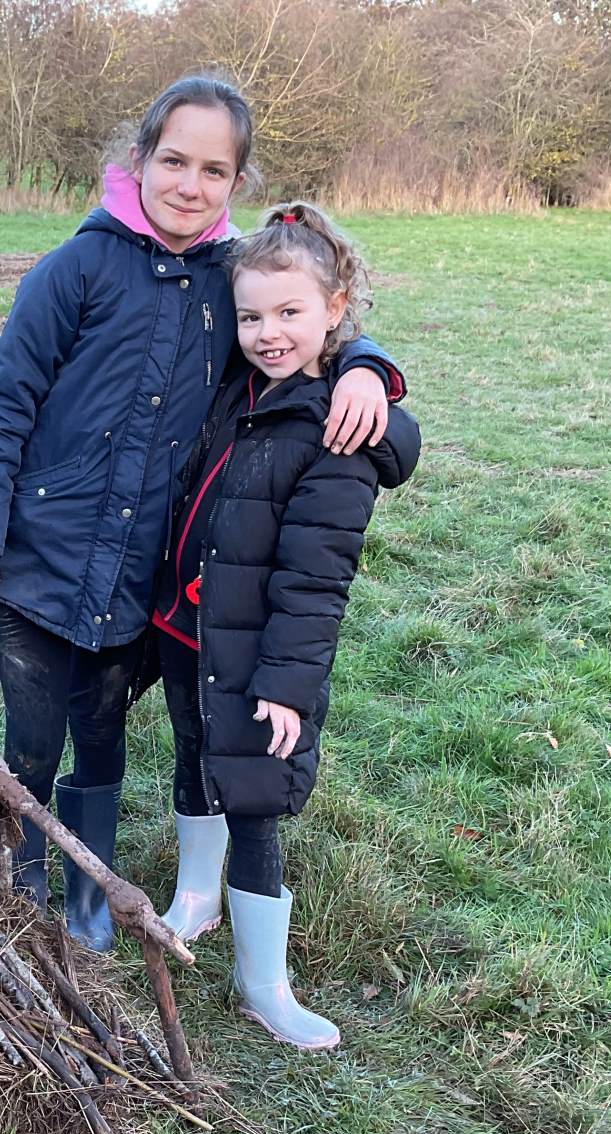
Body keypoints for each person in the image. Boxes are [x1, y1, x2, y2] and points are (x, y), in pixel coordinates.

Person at [0, 74, 407, 952]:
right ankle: (22, 877)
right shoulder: (76, 268)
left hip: (140, 569)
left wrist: (368, 369)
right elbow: (1, 404)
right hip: (41, 560)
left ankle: (90, 885)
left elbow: (303, 335)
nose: (190, 186)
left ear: (238, 182)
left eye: (214, 170)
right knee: (33, 736)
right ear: (139, 159)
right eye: (174, 162)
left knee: (103, 733)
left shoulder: (231, 285)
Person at [150, 201, 420, 1049]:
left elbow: (315, 580)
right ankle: (195, 898)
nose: (267, 334)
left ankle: (263, 982)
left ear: (335, 309)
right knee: (194, 757)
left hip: (262, 659)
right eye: (251, 317)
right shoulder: (238, 386)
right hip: (189, 632)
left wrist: (288, 687)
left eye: (290, 313)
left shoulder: (339, 429)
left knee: (255, 799)